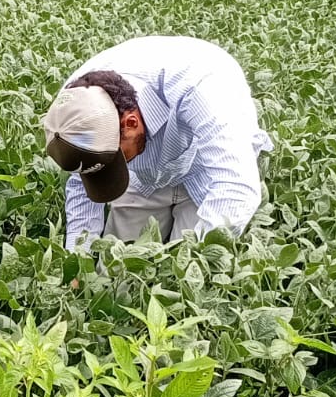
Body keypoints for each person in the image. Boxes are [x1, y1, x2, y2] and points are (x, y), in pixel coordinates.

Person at [41, 36, 272, 250]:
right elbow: (82, 182)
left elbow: (235, 190)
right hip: (143, 177)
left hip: (205, 169)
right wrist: (77, 260)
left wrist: (182, 265)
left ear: (130, 123)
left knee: (188, 269)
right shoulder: (73, 109)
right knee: (118, 271)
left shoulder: (203, 87)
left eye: (115, 159)